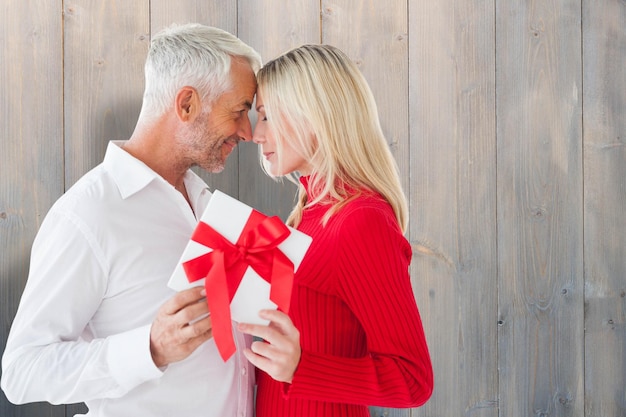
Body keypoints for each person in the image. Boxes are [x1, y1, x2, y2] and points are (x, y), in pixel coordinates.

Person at [1, 23, 261, 417]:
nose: (247, 132)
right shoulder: (88, 214)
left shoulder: (210, 206)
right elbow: (22, 372)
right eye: (240, 110)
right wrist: (150, 348)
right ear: (187, 103)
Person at [237, 44, 434, 417]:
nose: (255, 134)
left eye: (266, 116)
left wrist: (301, 369)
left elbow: (413, 380)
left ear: (314, 116)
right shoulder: (308, 214)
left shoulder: (361, 220)